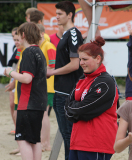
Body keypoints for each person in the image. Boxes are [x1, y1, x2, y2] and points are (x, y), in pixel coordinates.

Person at [64, 36, 119, 160]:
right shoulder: (83, 79)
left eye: (85, 59)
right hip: (77, 141)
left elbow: (82, 110)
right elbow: (67, 107)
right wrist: (75, 110)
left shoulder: (105, 82)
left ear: (98, 59)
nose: (81, 63)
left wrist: (75, 109)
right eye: (80, 59)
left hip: (97, 144)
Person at [4, 22, 47, 160]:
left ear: (23, 35)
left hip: (28, 103)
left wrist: (10, 72)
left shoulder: (28, 52)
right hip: (38, 102)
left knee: (22, 139)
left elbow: (27, 78)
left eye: (18, 36)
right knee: (35, 140)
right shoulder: (39, 51)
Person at [46, 1, 83, 159]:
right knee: (67, 135)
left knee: (69, 136)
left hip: (67, 93)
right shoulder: (66, 34)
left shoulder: (74, 33)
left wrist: (52, 72)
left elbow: (75, 64)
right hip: (61, 91)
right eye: (56, 14)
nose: (57, 17)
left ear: (70, 15)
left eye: (60, 14)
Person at [37, 24, 56, 151]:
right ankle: (43, 143)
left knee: (44, 115)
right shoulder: (42, 46)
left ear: (41, 33)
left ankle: (46, 144)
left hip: (48, 86)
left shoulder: (48, 46)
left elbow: (53, 66)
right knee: (42, 114)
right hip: (44, 85)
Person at [7, 27, 19, 135]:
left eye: (16, 37)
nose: (14, 40)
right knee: (12, 104)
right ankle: (16, 127)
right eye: (13, 37)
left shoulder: (23, 48)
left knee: (15, 104)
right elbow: (12, 65)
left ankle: (19, 129)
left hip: (18, 78)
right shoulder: (16, 48)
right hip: (14, 76)